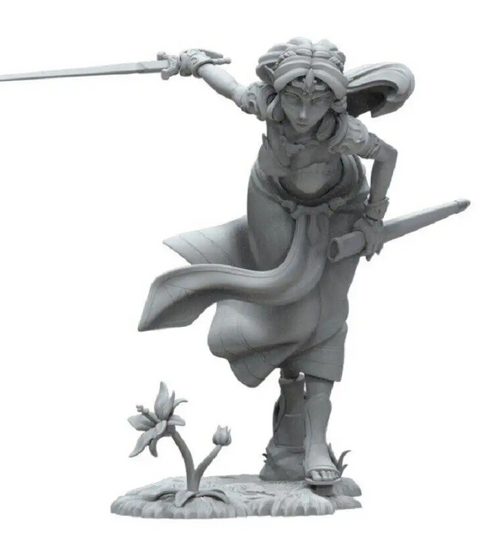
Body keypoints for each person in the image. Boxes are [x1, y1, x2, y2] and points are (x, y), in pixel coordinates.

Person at [139, 38, 415, 485]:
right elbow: (227, 85)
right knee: (284, 297)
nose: (303, 114)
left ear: (332, 100)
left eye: (316, 102)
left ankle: (313, 441)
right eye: (294, 99)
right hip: (271, 199)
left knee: (327, 312)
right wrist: (194, 62)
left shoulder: (344, 131)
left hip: (341, 204)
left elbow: (388, 156)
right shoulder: (267, 105)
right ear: (279, 92)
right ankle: (287, 426)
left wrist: (373, 218)